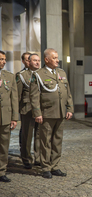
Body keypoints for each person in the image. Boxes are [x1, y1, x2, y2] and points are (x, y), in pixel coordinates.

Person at [30, 48, 74, 179]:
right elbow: (34, 96)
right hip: (47, 113)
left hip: (60, 112)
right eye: (54, 58)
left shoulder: (61, 72)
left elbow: (68, 92)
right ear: (46, 59)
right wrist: (37, 113)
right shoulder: (38, 75)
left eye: (57, 57)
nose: (57, 60)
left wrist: (70, 108)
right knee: (46, 141)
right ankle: (46, 167)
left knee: (57, 141)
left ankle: (55, 166)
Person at [16, 53, 41, 169]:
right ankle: (26, 158)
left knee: (39, 134)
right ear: (28, 62)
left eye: (38, 60)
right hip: (27, 109)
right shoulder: (22, 75)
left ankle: (38, 157)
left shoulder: (41, 74)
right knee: (27, 134)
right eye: (34, 60)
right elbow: (18, 95)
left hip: (40, 109)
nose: (37, 63)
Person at [0, 50, 18, 182]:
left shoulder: (9, 76)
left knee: (4, 146)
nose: (4, 61)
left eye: (4, 59)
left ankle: (1, 171)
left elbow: (14, 98)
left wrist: (14, 117)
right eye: (1, 59)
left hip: (5, 117)